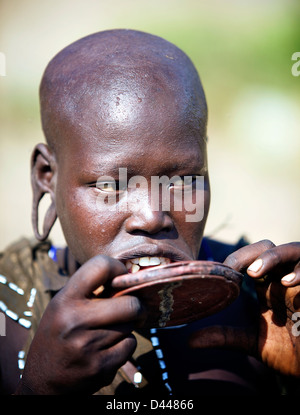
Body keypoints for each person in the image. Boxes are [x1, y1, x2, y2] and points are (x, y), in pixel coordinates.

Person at [0, 29, 299, 395]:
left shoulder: (265, 306)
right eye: (111, 185)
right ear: (47, 176)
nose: (152, 216)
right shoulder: (8, 312)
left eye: (184, 178)